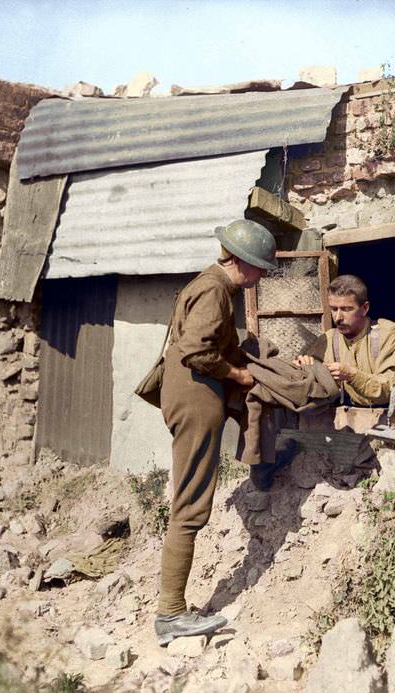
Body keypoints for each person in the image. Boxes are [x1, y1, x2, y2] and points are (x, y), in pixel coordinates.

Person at [154, 219, 276, 647]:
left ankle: (266, 471)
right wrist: (237, 374)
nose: (261, 276)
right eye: (260, 268)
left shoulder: (212, 285)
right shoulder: (216, 291)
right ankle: (170, 614)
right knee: (191, 503)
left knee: (253, 411)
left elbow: (210, 343)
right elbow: (195, 350)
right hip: (194, 395)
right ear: (241, 263)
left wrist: (244, 362)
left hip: (196, 390)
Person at [295, 274, 395, 407]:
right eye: (334, 309)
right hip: (344, 421)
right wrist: (303, 367)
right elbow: (306, 383)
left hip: (384, 419)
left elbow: (392, 389)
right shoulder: (328, 340)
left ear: (365, 308)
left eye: (346, 309)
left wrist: (352, 375)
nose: (338, 317)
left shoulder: (386, 334)